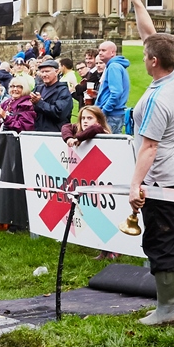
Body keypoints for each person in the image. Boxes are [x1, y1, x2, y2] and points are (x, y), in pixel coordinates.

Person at [125, 0, 174, 327]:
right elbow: (149, 35)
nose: (142, 56)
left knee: (160, 242)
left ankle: (167, 309)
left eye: (144, 55)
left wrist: (134, 186)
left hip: (162, 179)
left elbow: (148, 148)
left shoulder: (157, 99)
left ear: (154, 62)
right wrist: (137, 1)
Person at [62, 105, 117, 260]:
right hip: (91, 180)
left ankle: (114, 248)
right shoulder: (78, 129)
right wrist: (69, 138)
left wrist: (77, 138)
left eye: (89, 118)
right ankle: (103, 249)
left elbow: (95, 129)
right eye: (83, 118)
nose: (85, 121)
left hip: (106, 179)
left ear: (98, 119)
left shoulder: (101, 132)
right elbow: (66, 126)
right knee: (96, 211)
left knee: (108, 213)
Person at [96, 41, 131, 134]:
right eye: (99, 50)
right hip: (114, 114)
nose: (100, 53)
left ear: (113, 53)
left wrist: (104, 111)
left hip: (111, 115)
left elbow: (116, 93)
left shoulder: (113, 67)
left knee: (107, 145)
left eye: (103, 50)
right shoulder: (114, 66)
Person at [30, 60, 73, 133]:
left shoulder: (63, 91)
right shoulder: (39, 88)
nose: (44, 75)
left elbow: (60, 113)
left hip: (56, 133)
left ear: (56, 72)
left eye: (47, 71)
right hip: (38, 132)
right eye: (42, 72)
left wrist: (39, 103)